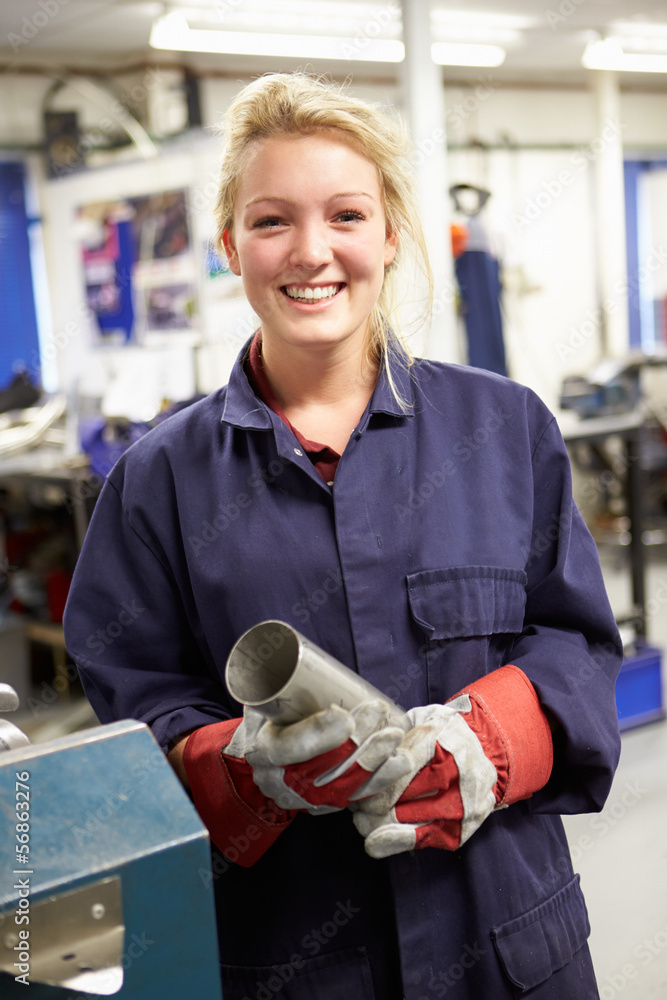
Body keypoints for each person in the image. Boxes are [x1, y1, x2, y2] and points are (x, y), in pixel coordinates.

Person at [63, 72, 622, 1000]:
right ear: (228, 245)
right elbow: (134, 711)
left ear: (391, 234)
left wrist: (487, 741)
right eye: (272, 219)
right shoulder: (156, 480)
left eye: (347, 216)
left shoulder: (505, 428)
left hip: (507, 948)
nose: (311, 251)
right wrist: (240, 771)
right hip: (292, 959)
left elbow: (576, 643)